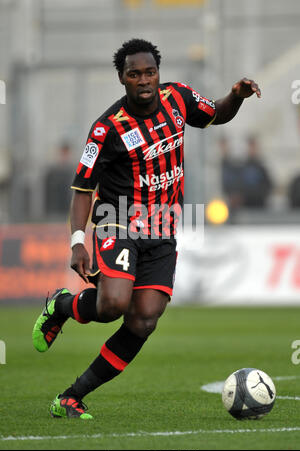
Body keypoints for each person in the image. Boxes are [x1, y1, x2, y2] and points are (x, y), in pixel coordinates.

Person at [32, 38, 261, 419]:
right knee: (113, 305)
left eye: (150, 72)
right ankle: (62, 304)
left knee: (144, 319)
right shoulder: (107, 129)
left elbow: (216, 113)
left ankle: (72, 396)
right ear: (122, 78)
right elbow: (82, 189)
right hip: (117, 221)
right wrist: (77, 241)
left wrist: (235, 95)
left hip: (163, 227)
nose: (144, 80)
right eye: (134, 74)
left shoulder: (178, 99)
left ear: (159, 73)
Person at [240, 136, 272, 208]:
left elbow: (268, 186)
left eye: (254, 147)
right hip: (244, 205)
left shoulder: (262, 168)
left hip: (259, 204)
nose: (252, 149)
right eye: (250, 146)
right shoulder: (242, 167)